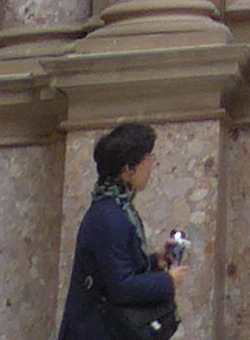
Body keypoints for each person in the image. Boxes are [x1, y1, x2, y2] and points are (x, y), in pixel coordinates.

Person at [58, 121, 182, 340]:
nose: (151, 165)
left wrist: (155, 262)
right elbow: (122, 286)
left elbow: (115, 267)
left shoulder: (114, 209)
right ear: (128, 168)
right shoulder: (109, 216)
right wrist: (167, 281)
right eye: (148, 158)